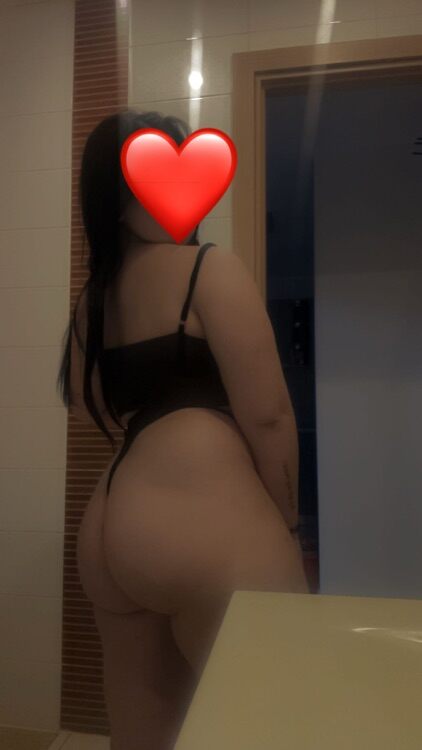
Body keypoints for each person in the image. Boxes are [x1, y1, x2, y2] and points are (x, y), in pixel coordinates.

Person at [57, 109, 309, 750]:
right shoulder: (208, 269)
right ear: (120, 200)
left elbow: (92, 410)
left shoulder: (92, 302)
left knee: (142, 734)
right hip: (203, 521)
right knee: (281, 727)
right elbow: (269, 416)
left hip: (110, 531)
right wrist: (285, 523)